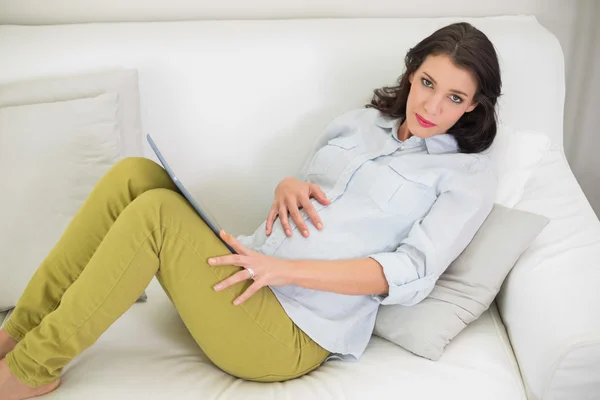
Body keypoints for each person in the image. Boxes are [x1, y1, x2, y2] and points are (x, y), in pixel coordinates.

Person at [0, 21, 501, 399]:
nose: (432, 106)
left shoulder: (467, 177)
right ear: (413, 73)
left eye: (454, 96)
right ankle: (17, 333)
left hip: (290, 333)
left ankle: (30, 371)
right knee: (135, 173)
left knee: (155, 214)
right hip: (248, 270)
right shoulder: (359, 124)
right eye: (428, 83)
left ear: (473, 107)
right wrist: (287, 186)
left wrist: (285, 270)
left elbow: (410, 273)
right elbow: (313, 194)